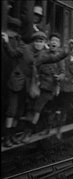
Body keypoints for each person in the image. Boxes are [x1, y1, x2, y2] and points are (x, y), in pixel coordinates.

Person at [32, 33, 65, 136]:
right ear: (49, 43)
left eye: (56, 41)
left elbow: (63, 72)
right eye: (52, 40)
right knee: (40, 109)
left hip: (51, 87)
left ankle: (41, 129)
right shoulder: (43, 54)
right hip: (40, 85)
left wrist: (59, 77)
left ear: (59, 44)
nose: (54, 42)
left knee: (44, 109)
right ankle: (36, 129)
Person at [1, 16, 25, 147]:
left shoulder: (18, 42)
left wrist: (6, 43)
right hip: (13, 80)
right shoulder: (18, 41)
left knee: (16, 111)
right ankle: (7, 137)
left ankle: (11, 136)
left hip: (18, 80)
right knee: (12, 110)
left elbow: (14, 53)